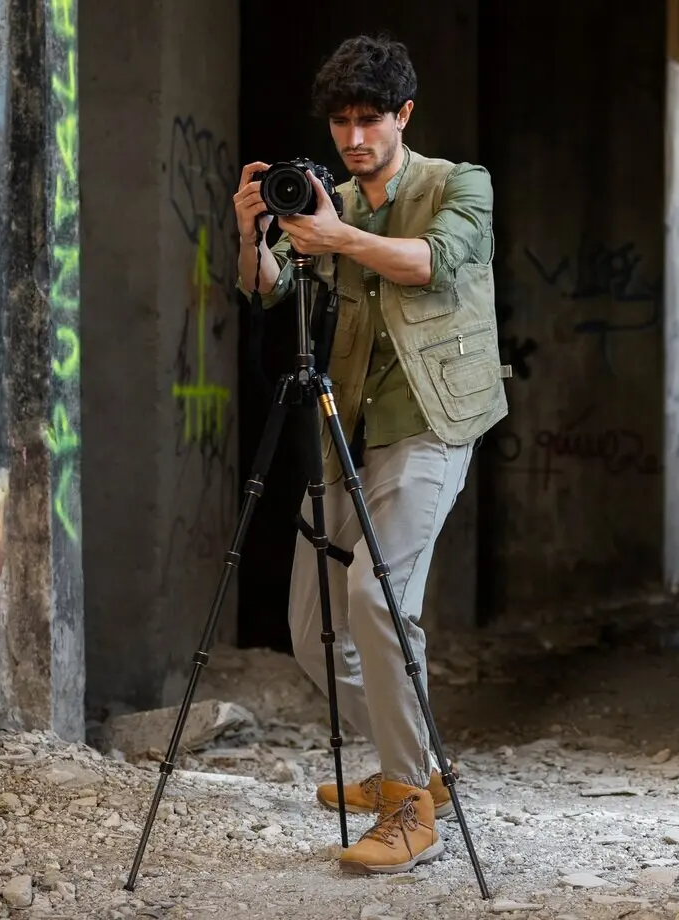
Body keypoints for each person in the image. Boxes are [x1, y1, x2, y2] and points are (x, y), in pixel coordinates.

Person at [232, 34, 509, 876]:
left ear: (404, 117)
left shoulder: (458, 185)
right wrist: (253, 232)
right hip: (342, 431)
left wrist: (337, 237)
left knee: (377, 598)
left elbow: (432, 263)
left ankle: (406, 803)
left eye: (370, 121)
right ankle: (416, 761)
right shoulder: (326, 199)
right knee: (313, 630)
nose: (354, 139)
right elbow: (263, 289)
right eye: (342, 122)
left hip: (430, 423)